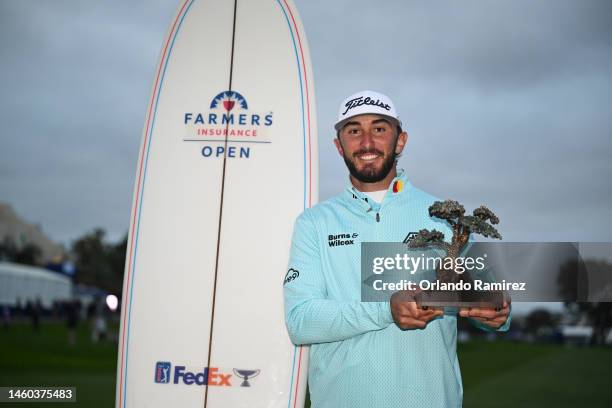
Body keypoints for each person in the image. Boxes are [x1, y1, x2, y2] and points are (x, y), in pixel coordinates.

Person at [283, 90, 510, 408]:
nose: (366, 142)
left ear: (400, 140)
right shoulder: (314, 223)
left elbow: (488, 295)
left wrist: (496, 310)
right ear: (339, 146)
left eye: (379, 129)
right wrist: (385, 310)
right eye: (353, 131)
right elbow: (300, 320)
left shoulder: (447, 218)